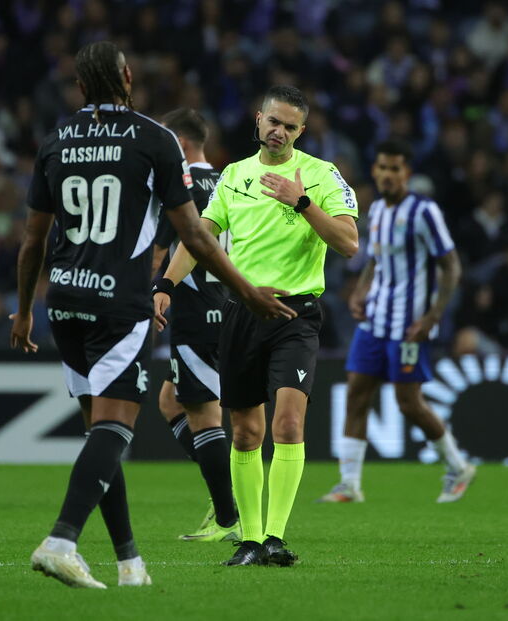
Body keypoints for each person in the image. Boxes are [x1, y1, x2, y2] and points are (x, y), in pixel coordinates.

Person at [11, 42, 294, 590]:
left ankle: (129, 563)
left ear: (79, 88)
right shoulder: (153, 139)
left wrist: (23, 311)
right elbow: (194, 236)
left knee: (100, 430)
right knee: (116, 428)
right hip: (121, 304)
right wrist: (248, 291)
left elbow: (30, 242)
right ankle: (62, 539)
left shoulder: (55, 141)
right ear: (129, 77)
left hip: (63, 302)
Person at [155, 85, 360, 567]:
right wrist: (164, 282)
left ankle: (275, 537)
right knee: (245, 433)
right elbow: (201, 239)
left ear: (301, 132)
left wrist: (303, 202)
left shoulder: (321, 175)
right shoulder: (234, 176)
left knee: (288, 423)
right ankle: (249, 540)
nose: (279, 131)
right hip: (242, 313)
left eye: (290, 126)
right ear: (258, 119)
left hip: (296, 315)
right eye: (274, 121)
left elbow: (349, 243)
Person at [319, 139, 475, 505]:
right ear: (375, 170)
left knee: (408, 402)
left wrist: (432, 316)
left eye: (395, 169)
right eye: (383, 168)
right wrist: (360, 290)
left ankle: (457, 465)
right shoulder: (377, 212)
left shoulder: (424, 212)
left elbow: (451, 265)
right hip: (375, 320)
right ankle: (349, 484)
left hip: (409, 324)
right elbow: (375, 258)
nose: (388, 175)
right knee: (356, 392)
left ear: (407, 173)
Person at [149, 108, 238, 542]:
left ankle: (228, 513)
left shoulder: (177, 188)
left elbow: (161, 253)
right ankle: (222, 491)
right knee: (170, 400)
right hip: (228, 308)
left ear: (181, 145)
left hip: (195, 312)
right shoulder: (229, 183)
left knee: (205, 416)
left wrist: (151, 293)